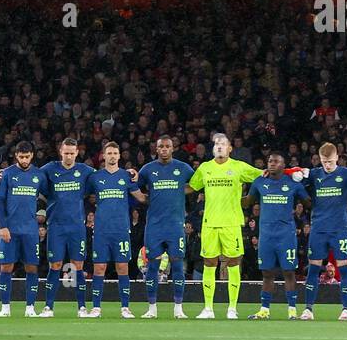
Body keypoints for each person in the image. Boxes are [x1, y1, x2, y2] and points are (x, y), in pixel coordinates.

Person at [187, 133, 263, 319]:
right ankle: (208, 309)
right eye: (217, 144)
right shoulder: (205, 168)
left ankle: (232, 308)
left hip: (231, 223)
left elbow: (262, 175)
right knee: (209, 263)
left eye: (224, 144)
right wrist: (166, 189)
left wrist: (287, 173)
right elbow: (190, 187)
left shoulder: (239, 167)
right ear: (213, 148)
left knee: (234, 263)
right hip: (210, 223)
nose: (220, 146)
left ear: (230, 148)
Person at [301, 142, 347, 321]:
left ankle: (346, 309)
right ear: (320, 159)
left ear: (337, 157)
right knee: (313, 268)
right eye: (324, 161)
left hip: (339, 229)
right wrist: (296, 173)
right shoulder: (314, 174)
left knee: (344, 269)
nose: (327, 165)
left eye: (330, 161)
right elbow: (294, 176)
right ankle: (308, 309)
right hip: (319, 229)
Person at [134, 135, 193, 319]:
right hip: (154, 227)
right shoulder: (148, 169)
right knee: (152, 267)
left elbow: (197, 184)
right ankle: (152, 309)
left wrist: (180, 191)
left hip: (175, 226)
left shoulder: (182, 168)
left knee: (177, 266)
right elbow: (136, 187)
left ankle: (178, 309)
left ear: (172, 148)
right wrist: (143, 198)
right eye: (161, 147)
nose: (164, 149)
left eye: (168, 146)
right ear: (156, 149)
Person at [245, 153, 310, 320]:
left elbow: (309, 202)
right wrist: (229, 196)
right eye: (270, 161)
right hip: (266, 235)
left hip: (286, 235)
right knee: (267, 273)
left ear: (284, 165)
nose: (272, 164)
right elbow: (248, 201)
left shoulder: (293, 183)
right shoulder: (260, 182)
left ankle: (292, 311)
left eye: (276, 161)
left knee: (289, 272)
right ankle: (264, 310)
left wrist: (306, 182)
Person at [83, 141, 143, 318]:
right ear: (104, 155)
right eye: (109, 153)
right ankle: (96, 308)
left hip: (121, 230)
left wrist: (162, 198)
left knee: (122, 268)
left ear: (119, 156)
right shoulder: (95, 177)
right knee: (99, 268)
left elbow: (140, 197)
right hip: (101, 230)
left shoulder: (126, 176)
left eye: (115, 153)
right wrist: (87, 215)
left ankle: (125, 307)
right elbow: (82, 195)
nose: (112, 156)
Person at [38, 138, 95, 318]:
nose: (69, 156)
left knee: (78, 265)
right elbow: (30, 175)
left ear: (77, 153)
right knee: (55, 265)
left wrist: (130, 173)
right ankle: (48, 307)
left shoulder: (85, 170)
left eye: (72, 153)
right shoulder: (49, 168)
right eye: (66, 152)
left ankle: (82, 308)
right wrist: (2, 174)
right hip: (56, 226)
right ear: (60, 152)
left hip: (77, 226)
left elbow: (106, 176)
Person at [0, 141, 46, 317]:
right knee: (6, 267)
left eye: (27, 156)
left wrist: (44, 217)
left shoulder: (39, 175)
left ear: (32, 155)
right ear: (16, 156)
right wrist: (3, 227)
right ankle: (5, 307)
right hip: (10, 230)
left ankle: (30, 307)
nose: (24, 159)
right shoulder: (7, 174)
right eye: (21, 156)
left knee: (32, 268)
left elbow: (50, 195)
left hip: (30, 230)